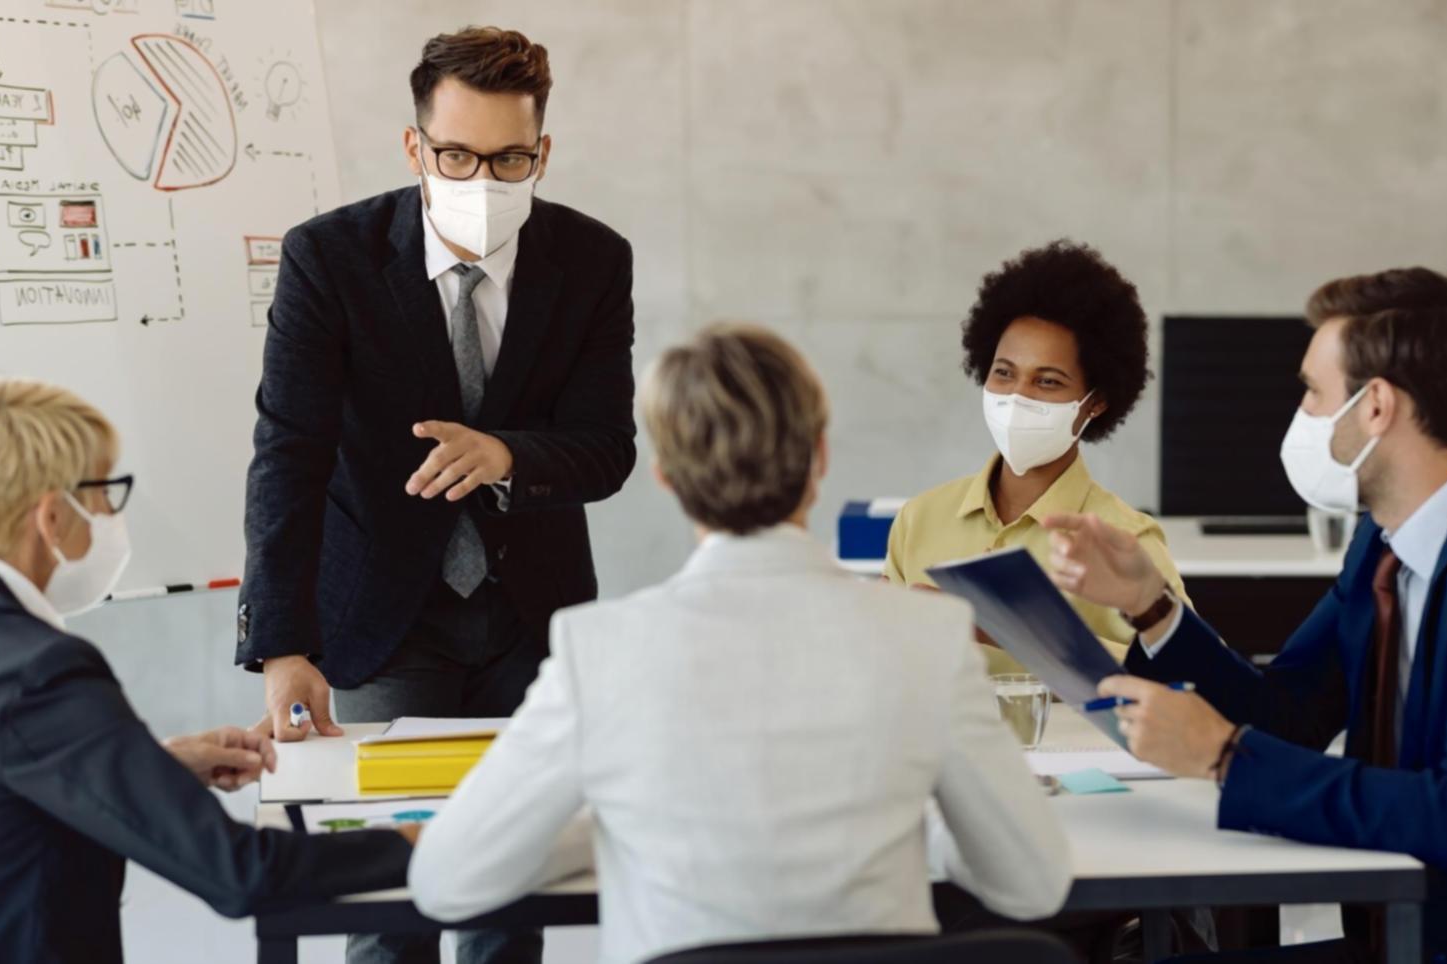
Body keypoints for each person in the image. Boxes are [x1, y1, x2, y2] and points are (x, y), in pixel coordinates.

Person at [407, 325, 1073, 964]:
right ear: (819, 459)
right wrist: (911, 822)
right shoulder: (928, 636)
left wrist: (608, 831)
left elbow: (448, 881)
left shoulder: (598, 648)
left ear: (664, 474)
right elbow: (1030, 884)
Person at [238, 26, 636, 962]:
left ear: (542, 152)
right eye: (457, 154)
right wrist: (282, 647)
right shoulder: (327, 259)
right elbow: (287, 454)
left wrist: (506, 454)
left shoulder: (590, 259)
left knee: (509, 895)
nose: (482, 179)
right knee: (390, 897)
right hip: (383, 615)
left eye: (508, 158)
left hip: (529, 617)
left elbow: (606, 450)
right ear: (415, 146)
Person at [1045, 268, 1447, 963]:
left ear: (1375, 408)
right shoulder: (1384, 538)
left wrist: (1222, 756)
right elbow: (1288, 714)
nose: (1300, 414)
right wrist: (1147, 603)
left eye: (1312, 392)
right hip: (1388, 934)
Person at [0, 377, 411, 964]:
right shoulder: (42, 671)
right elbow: (242, 873)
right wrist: (417, 842)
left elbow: (1, 772)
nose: (110, 514)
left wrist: (151, 765)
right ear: (52, 518)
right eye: (105, 492)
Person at [884, 240, 1188, 673]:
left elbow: (1185, 684)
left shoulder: (1125, 540)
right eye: (1004, 373)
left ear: (1095, 402)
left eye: (1047, 382)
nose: (1017, 397)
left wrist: (1004, 628)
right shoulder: (919, 519)